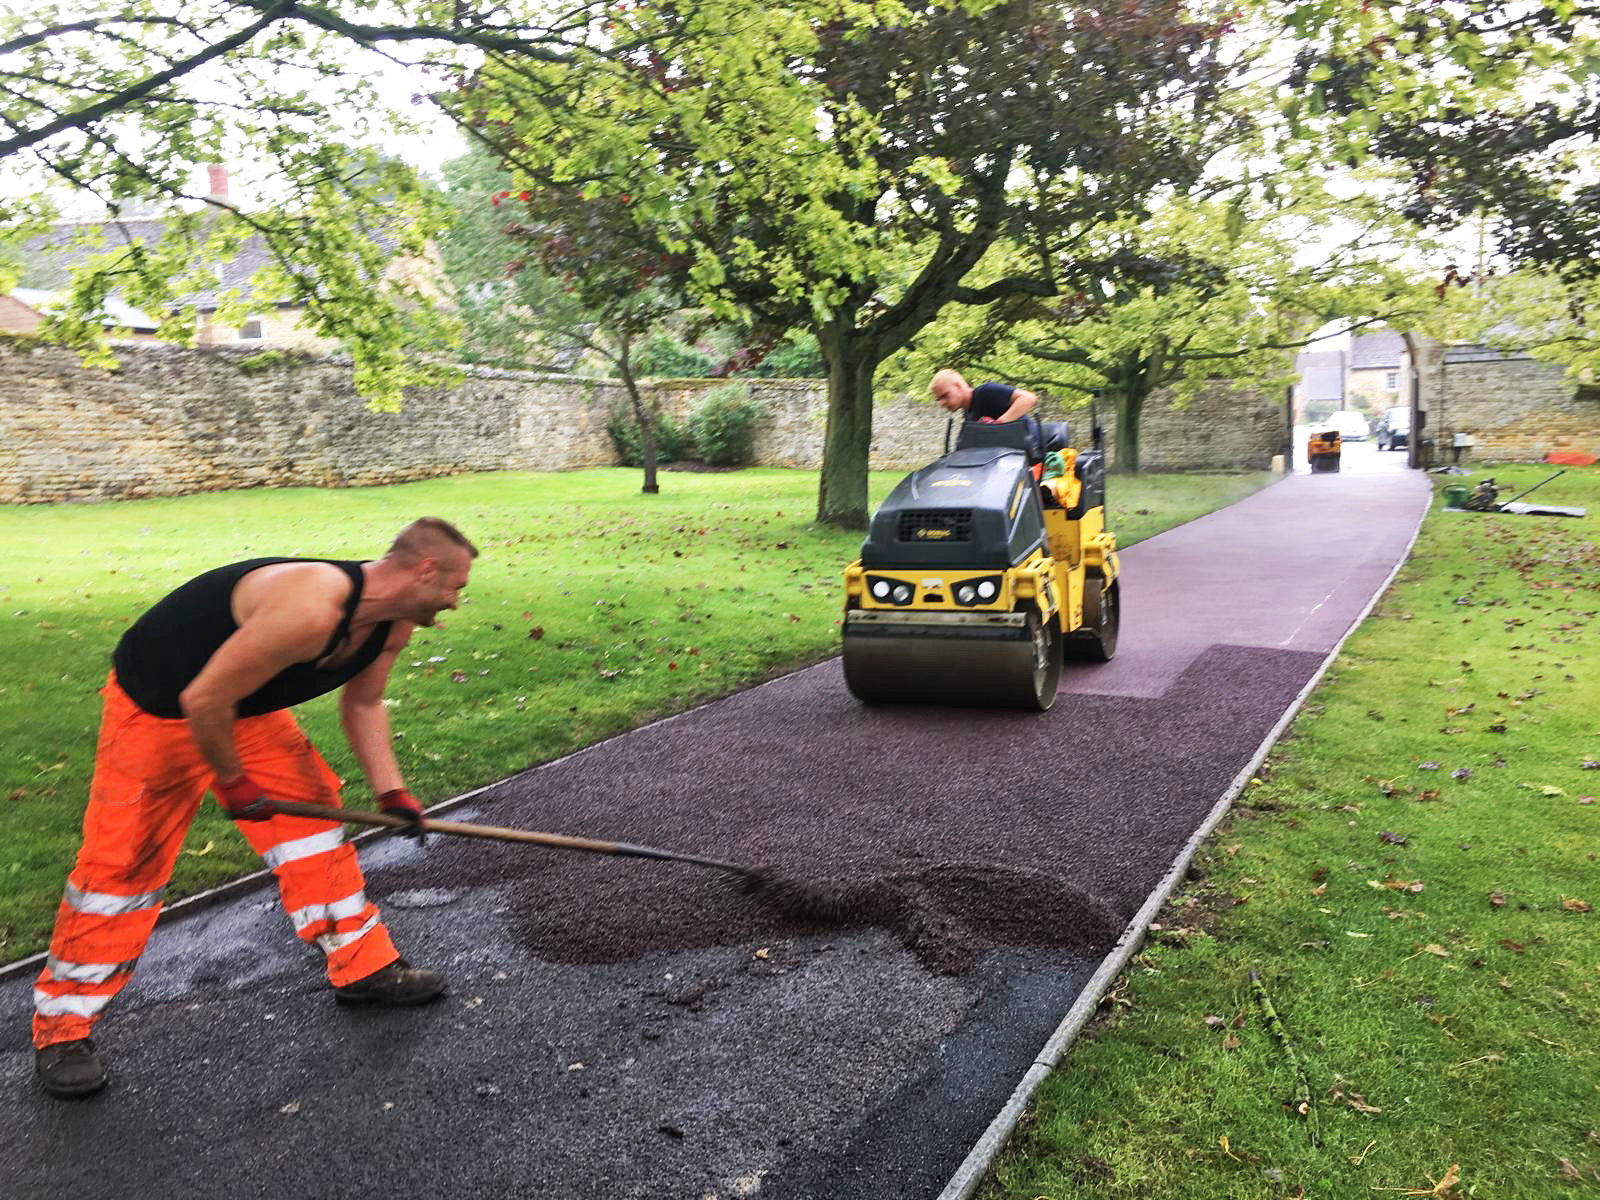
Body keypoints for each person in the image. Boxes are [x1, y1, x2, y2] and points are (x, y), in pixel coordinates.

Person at [31, 517, 478, 1100]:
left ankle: (362, 965)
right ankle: (62, 1029)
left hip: (237, 705)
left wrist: (392, 792)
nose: (454, 602)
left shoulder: (389, 624)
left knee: (313, 822)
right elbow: (202, 698)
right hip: (159, 709)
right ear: (425, 569)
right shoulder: (312, 607)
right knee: (123, 871)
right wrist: (233, 781)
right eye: (455, 587)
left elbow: (364, 705)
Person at [929, 369, 1039, 424]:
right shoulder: (968, 414)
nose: (942, 403)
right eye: (939, 399)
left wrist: (999, 424)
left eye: (945, 395)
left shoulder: (986, 391)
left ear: (958, 386)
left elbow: (1028, 398)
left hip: (1032, 453)